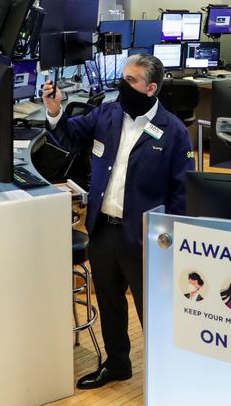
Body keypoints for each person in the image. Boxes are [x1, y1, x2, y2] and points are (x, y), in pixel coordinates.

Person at [43, 54, 194, 389]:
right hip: (103, 230)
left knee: (152, 310)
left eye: (130, 81)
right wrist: (55, 111)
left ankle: (168, 376)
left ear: (151, 88)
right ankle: (117, 363)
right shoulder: (108, 114)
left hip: (144, 237)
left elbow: (182, 195)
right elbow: (69, 137)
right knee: (110, 304)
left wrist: (172, 244)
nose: (121, 86)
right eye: (122, 78)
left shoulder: (174, 132)